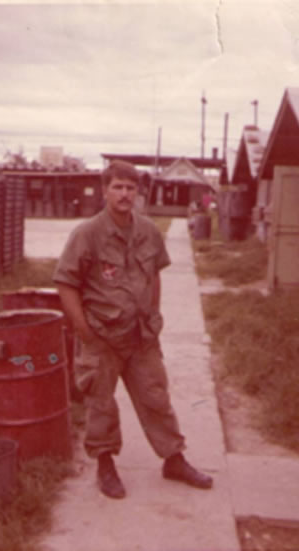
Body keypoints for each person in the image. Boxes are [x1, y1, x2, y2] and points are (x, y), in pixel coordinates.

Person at [53, 160, 213, 499]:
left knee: (156, 397)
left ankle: (174, 459)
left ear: (137, 192)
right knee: (102, 404)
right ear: (105, 190)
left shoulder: (148, 231)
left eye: (130, 187)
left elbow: (154, 274)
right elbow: (65, 284)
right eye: (118, 187)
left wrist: (153, 317)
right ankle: (105, 465)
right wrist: (84, 333)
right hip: (102, 338)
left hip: (141, 337)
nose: (125, 194)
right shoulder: (88, 234)